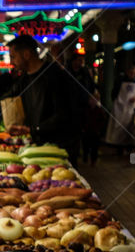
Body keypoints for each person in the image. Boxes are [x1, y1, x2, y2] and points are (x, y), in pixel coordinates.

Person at [6, 34, 82, 165]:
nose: (11, 62)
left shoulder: (55, 76)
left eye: (13, 57)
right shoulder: (24, 79)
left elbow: (63, 115)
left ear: (26, 54)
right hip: (38, 146)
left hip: (59, 150)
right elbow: (7, 97)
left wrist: (33, 129)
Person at [106, 64, 135, 152]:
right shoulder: (120, 81)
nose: (132, 75)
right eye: (131, 73)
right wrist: (116, 104)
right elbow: (114, 93)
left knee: (129, 128)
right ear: (127, 72)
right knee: (118, 127)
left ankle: (128, 146)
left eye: (134, 73)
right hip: (119, 107)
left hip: (131, 109)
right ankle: (118, 147)